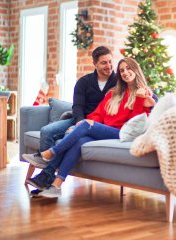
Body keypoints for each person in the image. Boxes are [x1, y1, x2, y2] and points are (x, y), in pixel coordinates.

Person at [25, 57, 156, 198]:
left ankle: (49, 154)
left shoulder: (145, 94)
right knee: (79, 141)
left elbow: (135, 123)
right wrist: (78, 127)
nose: (125, 72)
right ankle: (56, 185)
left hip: (123, 133)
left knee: (86, 125)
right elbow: (98, 114)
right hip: (105, 130)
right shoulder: (114, 93)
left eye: (128, 68)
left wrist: (139, 100)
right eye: (122, 70)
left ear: (136, 69)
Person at [23, 46, 117, 187]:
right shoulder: (84, 82)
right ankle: (46, 176)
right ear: (95, 64)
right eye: (104, 62)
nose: (108, 66)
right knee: (46, 131)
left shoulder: (118, 82)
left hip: (99, 124)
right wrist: (79, 121)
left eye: (110, 61)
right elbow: (77, 106)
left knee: (71, 135)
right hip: (79, 119)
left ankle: (46, 176)